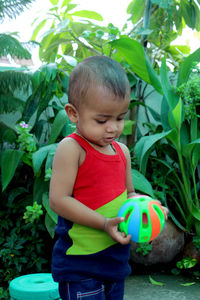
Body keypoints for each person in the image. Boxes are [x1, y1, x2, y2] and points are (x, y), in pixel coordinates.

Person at [49, 56, 166, 300]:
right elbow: (58, 200)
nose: (113, 128)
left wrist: (149, 209)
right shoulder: (72, 149)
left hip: (115, 263)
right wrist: (104, 223)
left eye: (120, 118)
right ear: (73, 113)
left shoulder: (122, 152)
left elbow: (129, 195)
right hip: (81, 264)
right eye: (102, 120)